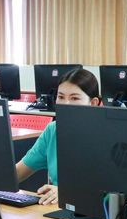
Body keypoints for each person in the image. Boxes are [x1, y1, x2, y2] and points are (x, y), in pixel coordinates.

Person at [15, 68, 102, 205]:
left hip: (93, 210)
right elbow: (19, 171)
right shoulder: (53, 130)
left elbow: (107, 188)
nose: (65, 104)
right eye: (61, 97)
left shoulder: (104, 135)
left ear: (93, 103)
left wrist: (67, 191)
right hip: (57, 208)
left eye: (74, 98)